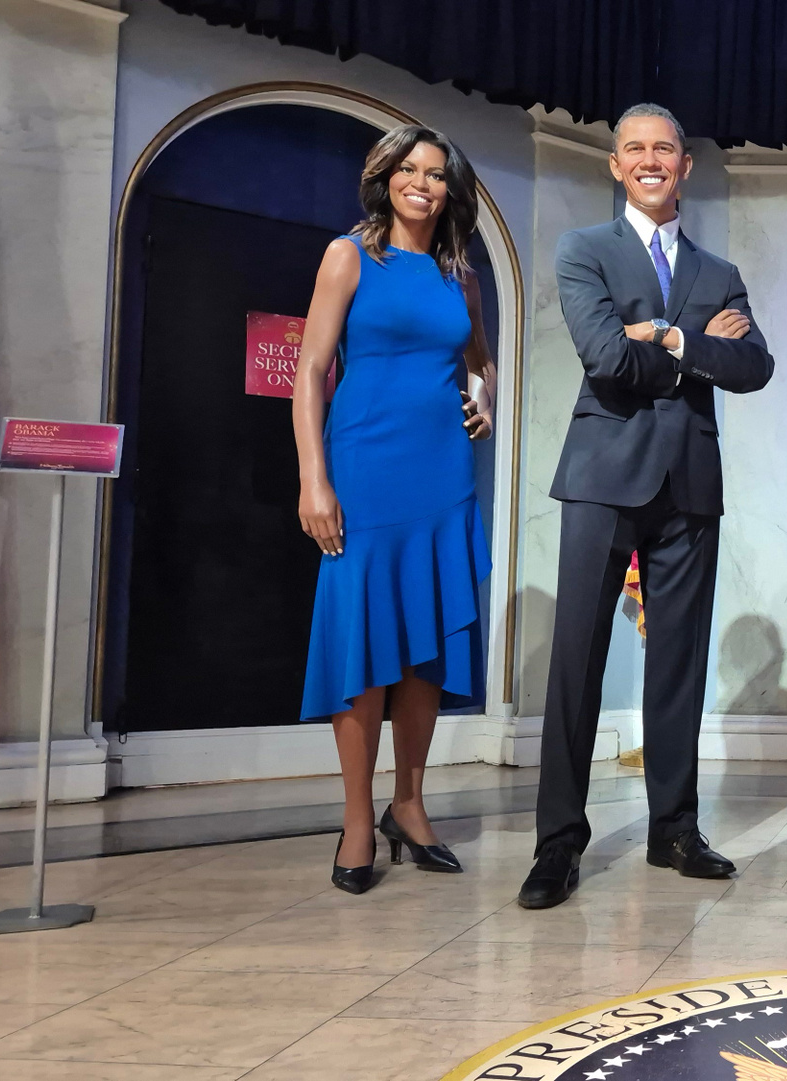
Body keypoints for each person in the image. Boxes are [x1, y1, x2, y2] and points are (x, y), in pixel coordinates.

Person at [520, 103, 775, 909]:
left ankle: (675, 829)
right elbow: (603, 357)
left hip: (690, 482)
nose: (650, 159)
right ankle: (559, 842)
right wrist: (699, 347)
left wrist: (664, 337)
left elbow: (755, 367)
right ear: (615, 164)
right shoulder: (584, 249)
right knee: (577, 661)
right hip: (601, 476)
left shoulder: (719, 271)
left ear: (686, 165)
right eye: (635, 148)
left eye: (664, 148)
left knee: (678, 666)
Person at [292, 124, 496, 895]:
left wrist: (483, 400)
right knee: (363, 639)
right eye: (408, 169)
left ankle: (408, 804)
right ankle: (355, 818)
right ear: (385, 178)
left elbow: (481, 364)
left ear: (450, 189)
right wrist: (314, 480)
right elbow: (310, 371)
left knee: (425, 645)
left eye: (436, 173)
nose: (421, 183)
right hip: (364, 467)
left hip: (443, 473)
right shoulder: (349, 256)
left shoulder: (460, 276)